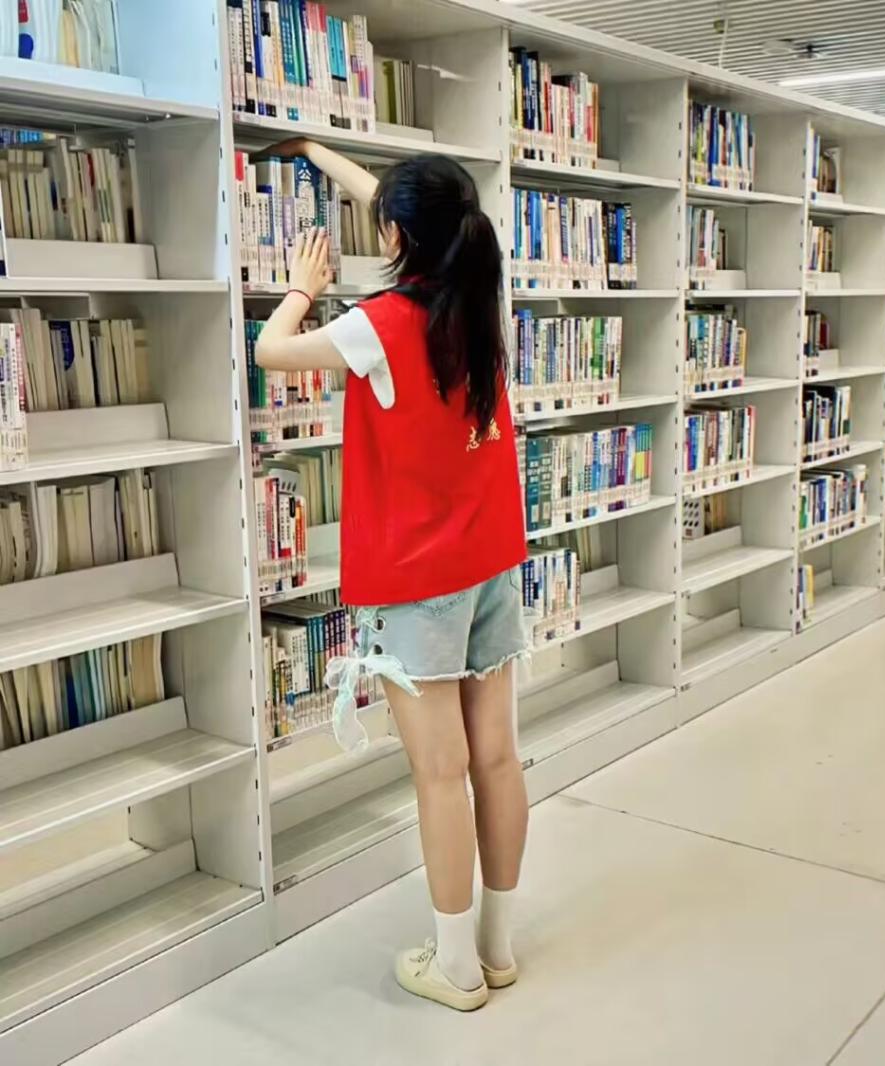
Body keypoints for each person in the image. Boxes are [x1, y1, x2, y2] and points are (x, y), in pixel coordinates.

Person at [254, 140, 529, 1013]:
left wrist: (302, 285)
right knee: (496, 757)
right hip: (490, 562)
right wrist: (315, 150)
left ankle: (453, 969)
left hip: (420, 578)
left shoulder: (377, 324)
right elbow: (412, 207)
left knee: (440, 773)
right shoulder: (475, 292)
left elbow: (271, 350)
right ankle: (496, 949)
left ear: (399, 237)